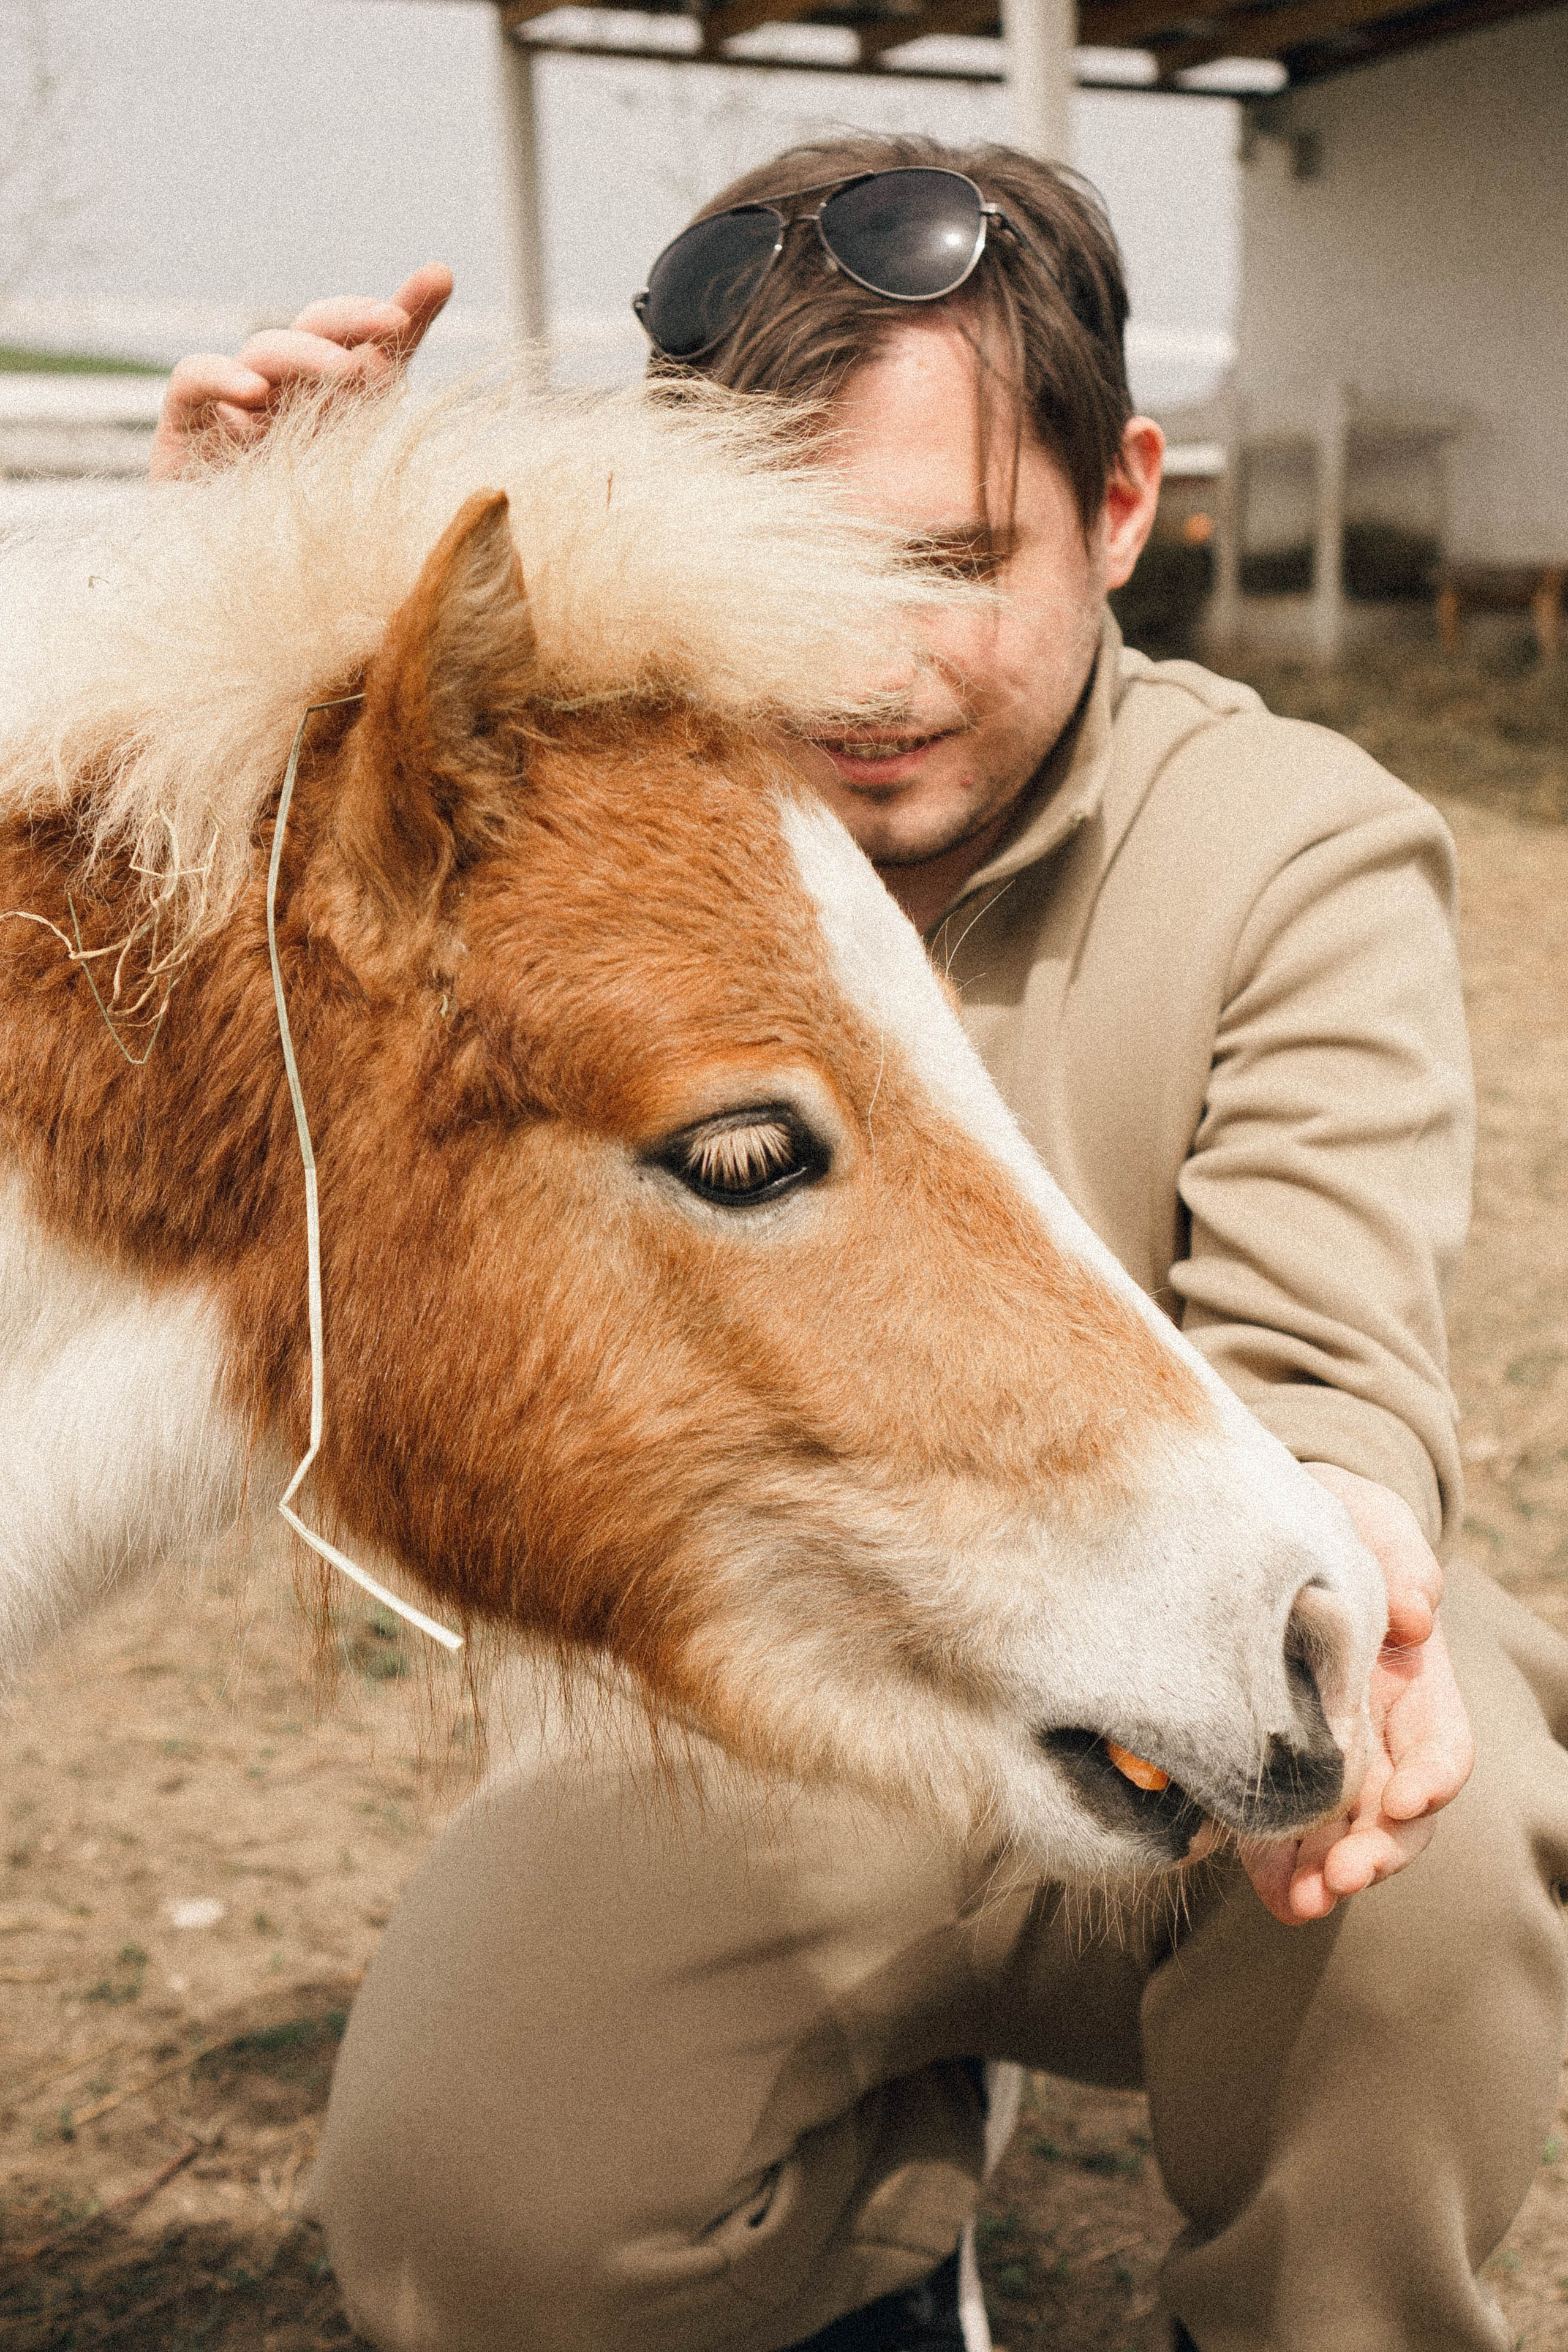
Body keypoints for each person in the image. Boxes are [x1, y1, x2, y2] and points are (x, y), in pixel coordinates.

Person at [153, 138, 1568, 2352]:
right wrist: (246, 624)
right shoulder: (581, 834)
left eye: (956, 562)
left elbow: (1332, 1354)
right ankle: (881, 2237)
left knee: (1434, 1805)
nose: (877, 664)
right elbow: (234, 1035)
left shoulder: (1298, 844)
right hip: (793, 1699)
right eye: (798, 571)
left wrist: (1354, 1533)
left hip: (1182, 1642)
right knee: (463, 2222)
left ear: (1123, 508)